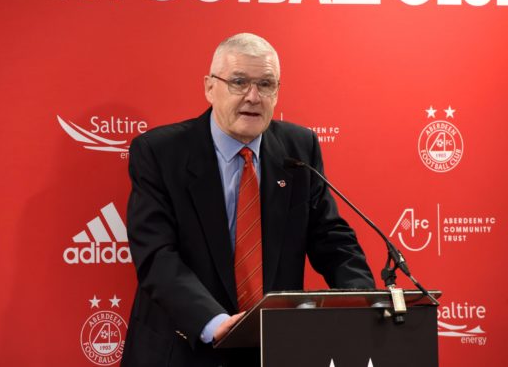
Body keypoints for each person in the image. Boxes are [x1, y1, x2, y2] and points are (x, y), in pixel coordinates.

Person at [121, 33, 375, 367]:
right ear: (210, 87)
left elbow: (330, 237)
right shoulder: (159, 152)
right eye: (239, 82)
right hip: (183, 346)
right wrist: (214, 322)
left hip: (271, 348)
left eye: (266, 84)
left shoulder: (299, 148)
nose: (253, 97)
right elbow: (157, 255)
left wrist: (363, 299)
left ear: (277, 91)